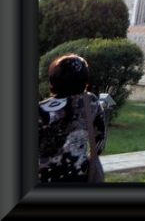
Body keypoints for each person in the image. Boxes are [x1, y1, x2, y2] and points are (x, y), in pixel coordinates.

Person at [38, 54, 107, 182]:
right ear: (85, 80)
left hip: (45, 176)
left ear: (53, 80)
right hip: (79, 174)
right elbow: (100, 140)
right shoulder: (91, 102)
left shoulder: (41, 109)